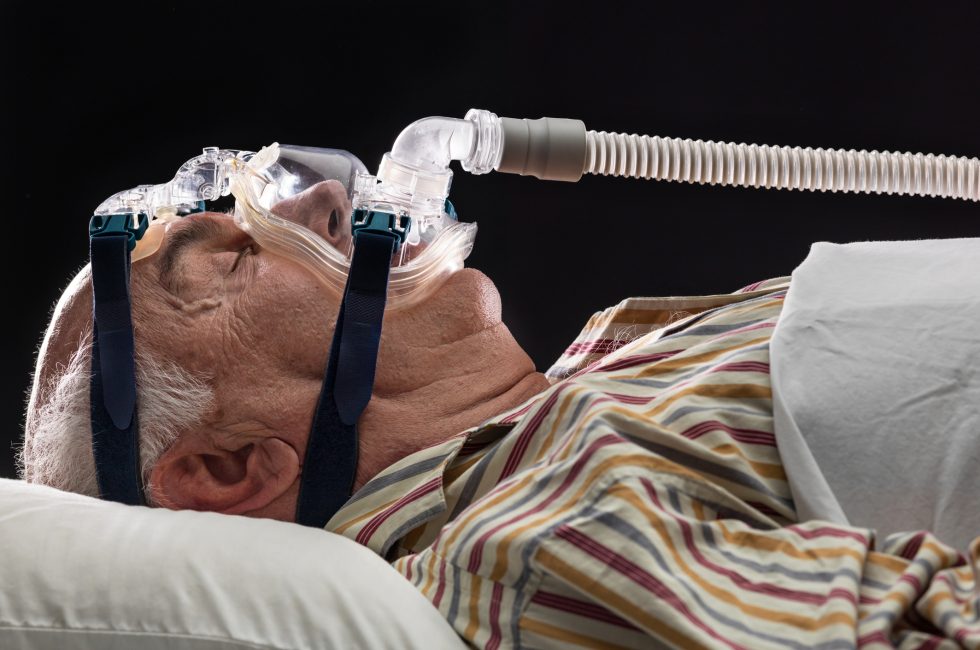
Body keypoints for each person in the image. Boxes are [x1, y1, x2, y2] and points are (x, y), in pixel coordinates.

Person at [20, 194, 979, 648]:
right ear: (230, 471)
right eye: (225, 262)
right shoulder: (527, 549)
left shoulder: (593, 381)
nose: (313, 199)